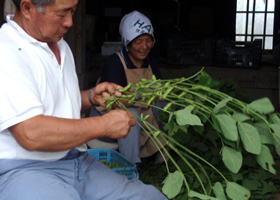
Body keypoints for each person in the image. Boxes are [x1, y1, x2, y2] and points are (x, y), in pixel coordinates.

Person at [0, 1, 167, 200]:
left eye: (73, 11)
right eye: (62, 14)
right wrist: (104, 125)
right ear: (28, 8)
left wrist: (90, 97)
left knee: (149, 196)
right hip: (27, 168)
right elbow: (30, 133)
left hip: (78, 161)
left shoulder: (60, 45)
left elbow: (55, 103)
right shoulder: (7, 51)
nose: (70, 22)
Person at [90, 10, 166, 164]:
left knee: (165, 105)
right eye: (138, 41)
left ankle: (162, 154)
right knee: (130, 114)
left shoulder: (151, 62)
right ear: (127, 43)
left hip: (143, 112)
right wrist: (142, 98)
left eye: (148, 40)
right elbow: (114, 102)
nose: (144, 46)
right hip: (107, 121)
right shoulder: (115, 63)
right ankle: (131, 165)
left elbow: (160, 91)